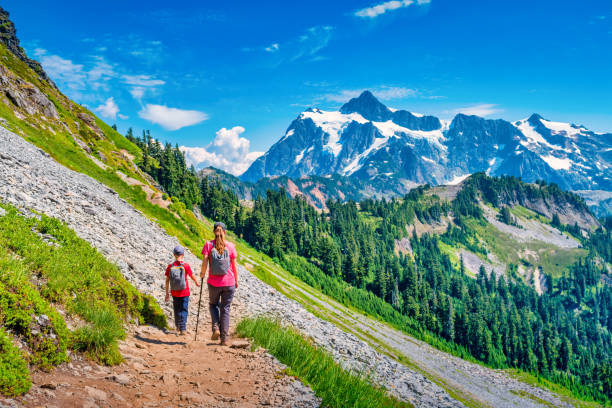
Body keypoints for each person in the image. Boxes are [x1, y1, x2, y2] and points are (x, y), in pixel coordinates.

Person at [201, 222, 238, 346]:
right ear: (225, 232)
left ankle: (216, 328)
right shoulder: (231, 246)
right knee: (225, 309)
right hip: (229, 283)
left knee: (213, 305)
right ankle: (224, 339)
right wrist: (236, 281)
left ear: (214, 232)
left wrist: (202, 274)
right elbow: (234, 266)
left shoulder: (208, 245)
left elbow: (205, 262)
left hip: (213, 282)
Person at [165, 245, 199, 336]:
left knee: (177, 309)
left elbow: (167, 280)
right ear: (182, 255)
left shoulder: (170, 266)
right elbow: (191, 275)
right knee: (184, 309)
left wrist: (167, 293)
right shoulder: (186, 266)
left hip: (174, 292)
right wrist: (196, 281)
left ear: (174, 255)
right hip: (185, 292)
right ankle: (183, 328)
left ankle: (178, 326)